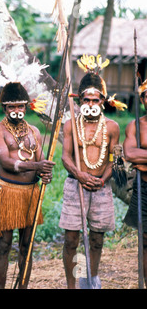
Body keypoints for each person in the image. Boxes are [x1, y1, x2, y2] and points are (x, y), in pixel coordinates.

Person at [0, 82, 54, 289]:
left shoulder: (34, 131)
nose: (17, 111)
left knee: (27, 245)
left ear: (27, 107)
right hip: (8, 192)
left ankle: (22, 287)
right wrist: (36, 165)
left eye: (20, 106)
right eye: (12, 107)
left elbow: (41, 158)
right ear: (5, 108)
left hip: (30, 194)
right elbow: (6, 161)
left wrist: (46, 172)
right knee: (4, 245)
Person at [60, 66, 120, 289]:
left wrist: (102, 180)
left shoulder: (112, 127)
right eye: (87, 100)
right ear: (80, 101)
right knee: (71, 240)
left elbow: (114, 160)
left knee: (96, 239)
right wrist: (80, 175)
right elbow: (66, 156)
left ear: (103, 101)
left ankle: (91, 281)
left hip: (101, 187)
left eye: (96, 100)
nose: (91, 105)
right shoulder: (71, 126)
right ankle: (72, 285)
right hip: (75, 185)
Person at [122, 78, 147, 288]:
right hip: (144, 188)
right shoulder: (136, 125)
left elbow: (137, 155)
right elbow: (129, 153)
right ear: (142, 99)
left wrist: (144, 158)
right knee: (145, 240)